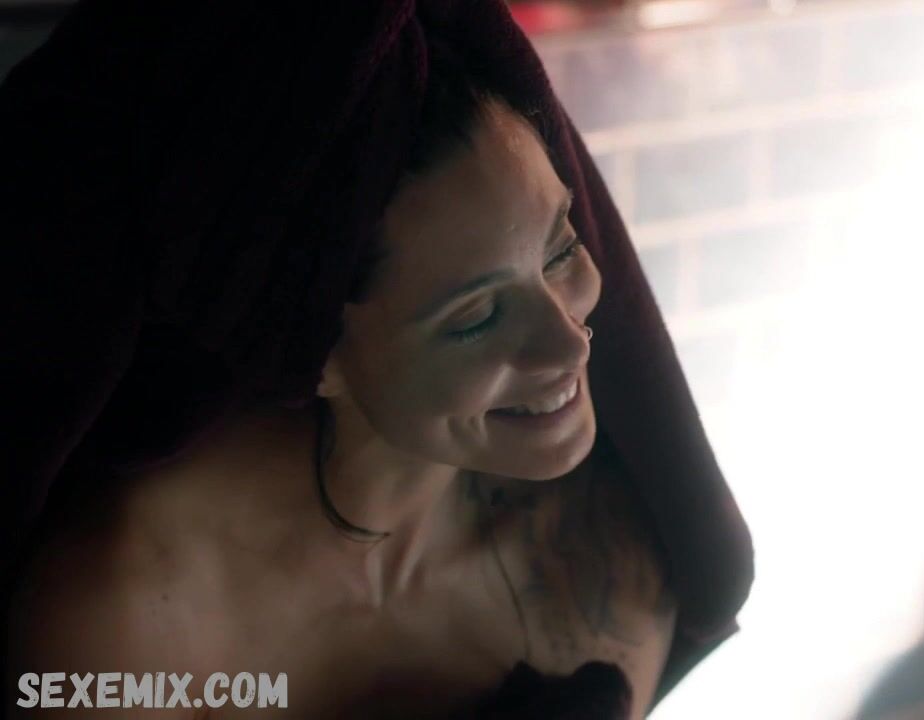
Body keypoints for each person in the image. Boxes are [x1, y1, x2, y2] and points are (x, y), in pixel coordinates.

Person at [0, 1, 753, 718]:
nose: (570, 341)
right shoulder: (129, 619)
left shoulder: (605, 543)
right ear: (314, 355)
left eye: (560, 249)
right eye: (477, 316)